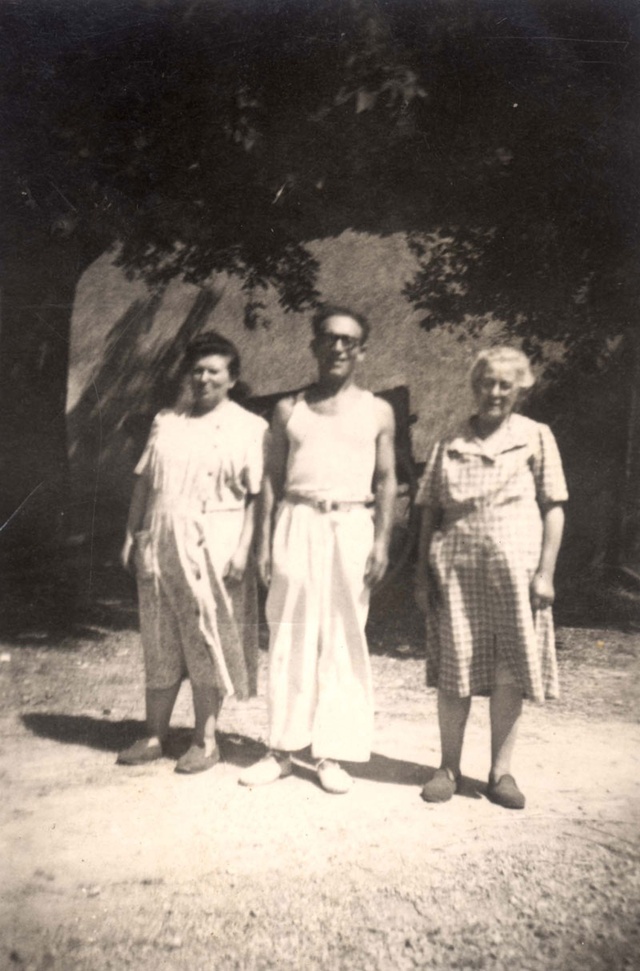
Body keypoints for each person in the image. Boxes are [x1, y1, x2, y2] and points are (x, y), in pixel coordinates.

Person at [239, 305, 397, 794]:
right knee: (289, 633)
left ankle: (331, 752)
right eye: (329, 338)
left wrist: (383, 541)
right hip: (297, 520)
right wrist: (262, 543)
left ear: (362, 350)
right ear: (314, 346)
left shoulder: (378, 410)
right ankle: (282, 750)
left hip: (352, 524)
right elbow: (270, 480)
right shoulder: (289, 409)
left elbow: (388, 479)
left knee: (344, 636)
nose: (338, 347)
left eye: (349, 340)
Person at [414, 346, 567, 809]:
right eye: (486, 382)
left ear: (521, 388)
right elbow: (428, 512)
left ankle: (501, 773)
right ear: (474, 386)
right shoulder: (450, 440)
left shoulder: (536, 436)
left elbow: (554, 506)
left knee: (509, 674)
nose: (494, 392)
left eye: (505, 384)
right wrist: (421, 574)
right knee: (455, 671)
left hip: (516, 577)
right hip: (456, 574)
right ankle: (448, 767)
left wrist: (546, 573)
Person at [117, 332, 268, 774]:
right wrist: (131, 534)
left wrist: (243, 550)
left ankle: (206, 740)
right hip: (160, 535)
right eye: (197, 370)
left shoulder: (250, 427)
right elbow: (144, 481)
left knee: (206, 637)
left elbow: (258, 496)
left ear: (232, 377)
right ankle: (153, 735)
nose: (203, 378)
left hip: (213, 542)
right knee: (159, 636)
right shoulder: (168, 420)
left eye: (213, 371)